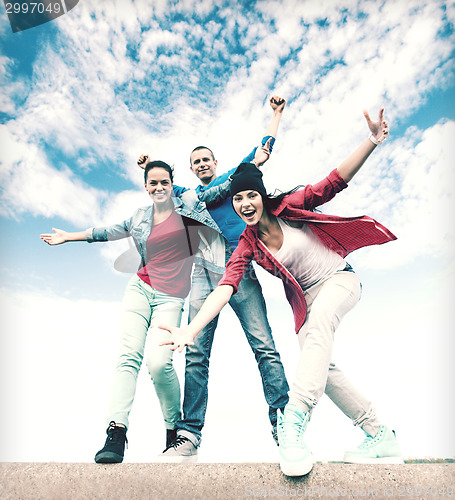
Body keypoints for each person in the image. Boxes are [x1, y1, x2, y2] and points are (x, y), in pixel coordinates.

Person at [160, 108, 403, 475]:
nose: (244, 204)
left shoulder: (291, 206)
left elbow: (333, 182)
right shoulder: (246, 242)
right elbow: (226, 287)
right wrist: (190, 330)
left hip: (339, 280)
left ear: (261, 196)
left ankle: (292, 421)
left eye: (250, 196)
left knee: (317, 331)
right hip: (307, 301)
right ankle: (379, 434)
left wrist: (371, 140)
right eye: (238, 199)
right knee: (319, 363)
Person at [40, 160, 233, 464]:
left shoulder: (191, 204)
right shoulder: (140, 216)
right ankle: (116, 433)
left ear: (172, 184)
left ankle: (174, 431)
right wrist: (69, 236)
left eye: (164, 183)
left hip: (171, 297)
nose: (158, 188)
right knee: (128, 357)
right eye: (152, 183)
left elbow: (221, 187)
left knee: (158, 363)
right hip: (140, 289)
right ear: (146, 187)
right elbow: (106, 232)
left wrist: (256, 159)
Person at [138, 96, 290, 462]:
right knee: (195, 352)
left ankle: (284, 424)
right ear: (191, 169)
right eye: (196, 162)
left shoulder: (232, 178)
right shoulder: (187, 195)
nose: (202, 164)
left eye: (206, 159)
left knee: (263, 345)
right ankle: (188, 436)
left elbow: (263, 150)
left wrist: (276, 115)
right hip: (202, 270)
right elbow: (159, 188)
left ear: (215, 162)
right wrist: (145, 167)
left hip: (239, 265)